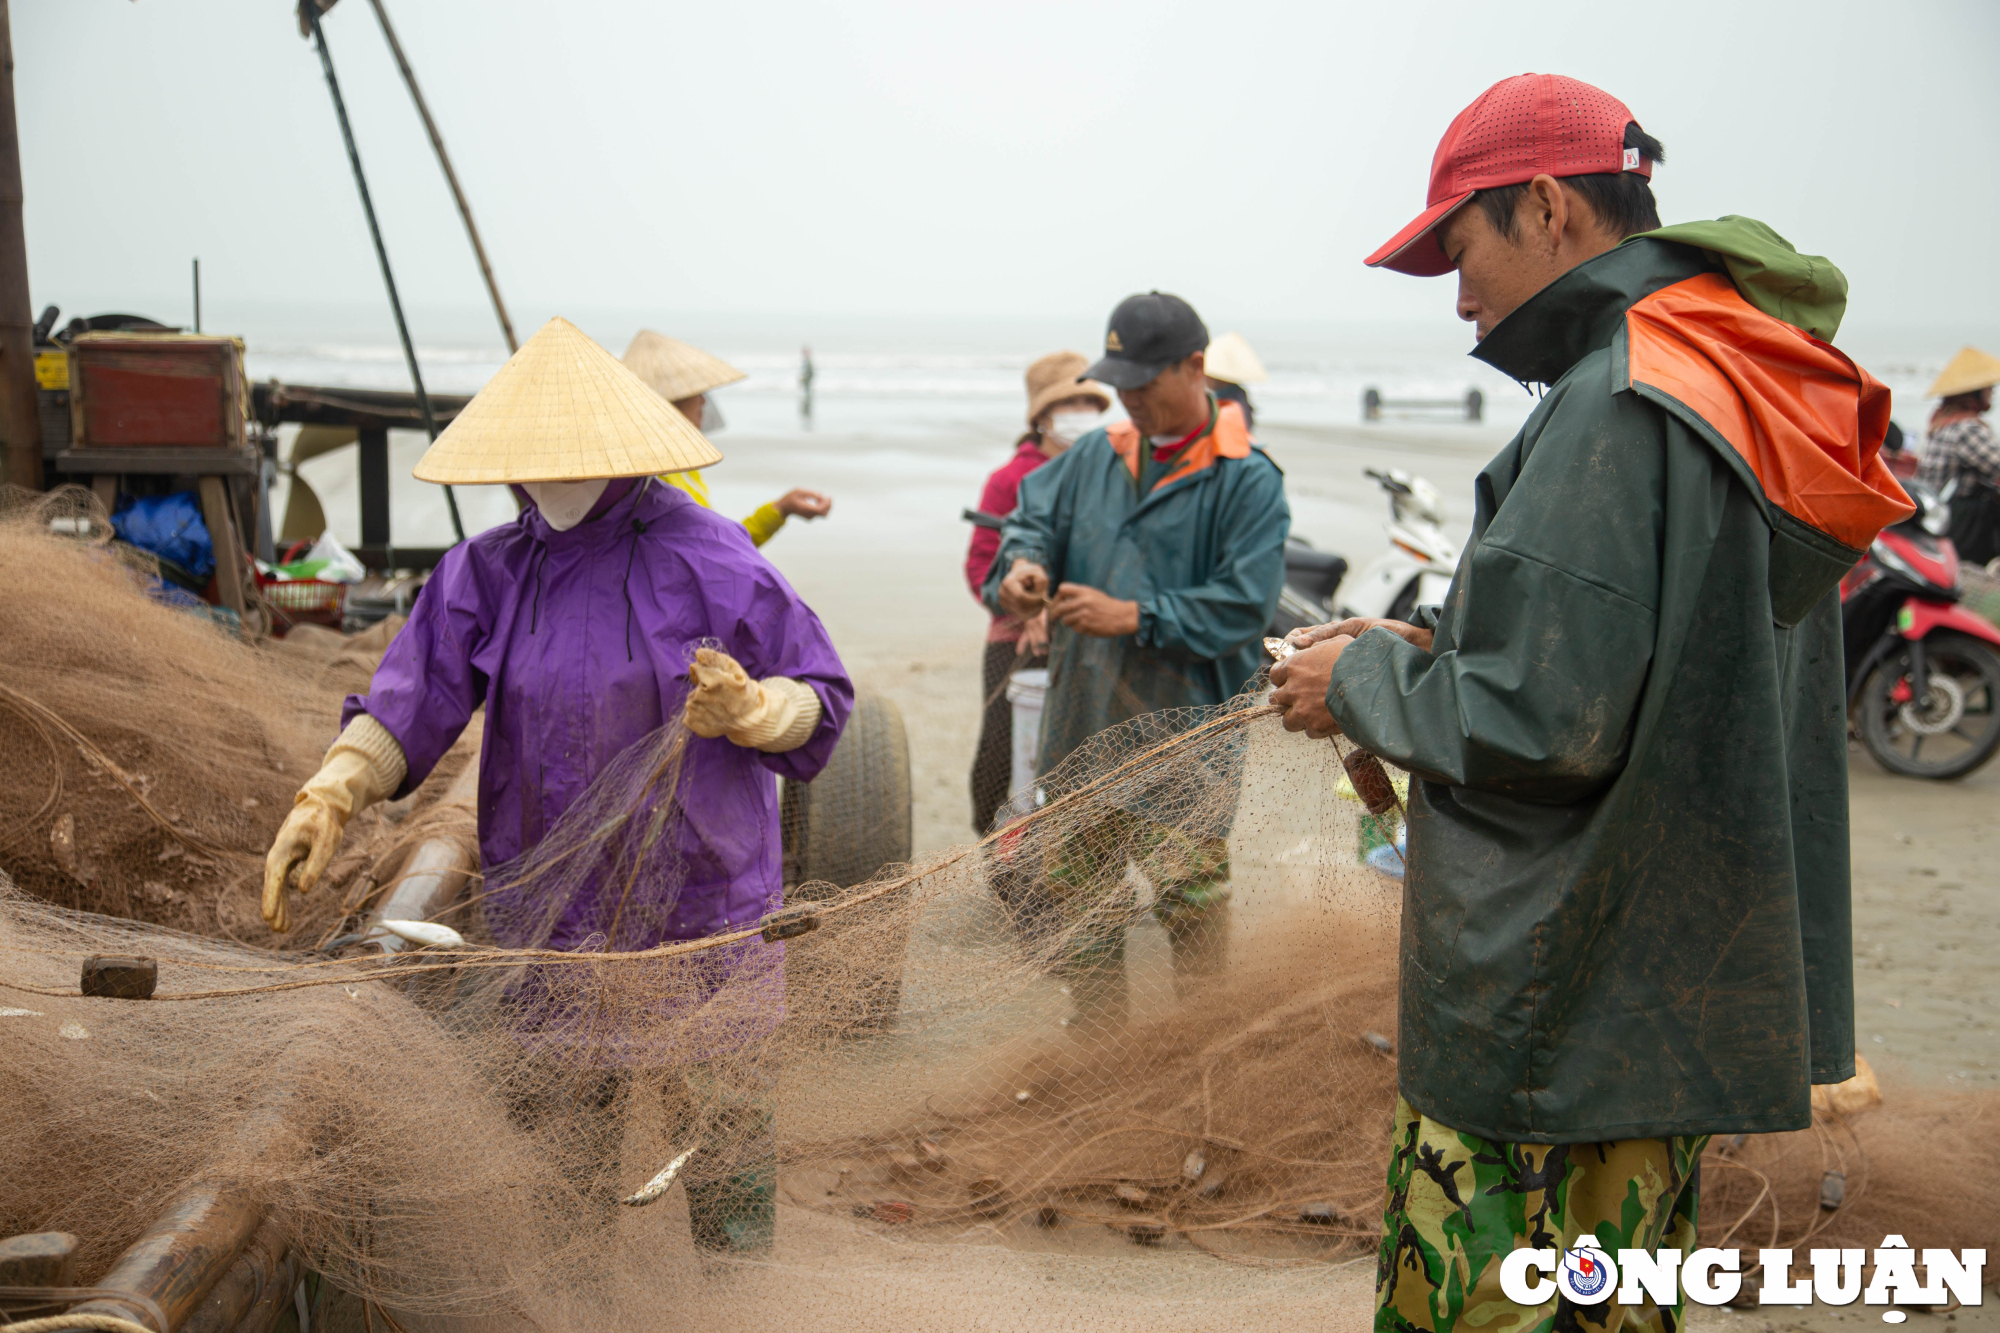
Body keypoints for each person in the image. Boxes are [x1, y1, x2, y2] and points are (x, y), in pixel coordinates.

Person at [1265, 74, 1911, 1331]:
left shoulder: (1613, 399)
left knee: (1483, 1304)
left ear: (1548, 207)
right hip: (1666, 996)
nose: (1456, 298)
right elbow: (1650, 658)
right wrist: (1426, 642)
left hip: (1553, 1009)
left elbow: (1541, 722)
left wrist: (1357, 678)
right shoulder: (1734, 370)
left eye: (1458, 249)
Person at [260, 317, 853, 1254]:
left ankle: (742, 1299)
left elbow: (820, 699)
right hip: (552, 916)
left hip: (707, 909)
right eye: (525, 460)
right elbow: (413, 698)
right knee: (563, 1174)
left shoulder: (713, 557)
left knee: (725, 1152)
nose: (543, 475)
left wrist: (752, 710)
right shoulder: (486, 571)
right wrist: (332, 789)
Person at [986, 291, 1288, 1027]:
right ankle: (1099, 1053)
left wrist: (1135, 616)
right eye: (1120, 385)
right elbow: (1028, 520)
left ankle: (1197, 1060)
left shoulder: (1248, 478)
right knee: (1082, 908)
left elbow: (1245, 608)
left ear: (1195, 368)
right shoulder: (1098, 454)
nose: (1129, 400)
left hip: (1187, 743)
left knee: (1191, 906)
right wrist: (1021, 571)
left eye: (1144, 384)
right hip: (1081, 730)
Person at [964, 350, 1112, 833]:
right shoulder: (1009, 480)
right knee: (1001, 751)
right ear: (1042, 417)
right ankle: (995, 846)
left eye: (1089, 403)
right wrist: (1023, 607)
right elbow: (980, 565)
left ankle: (1072, 853)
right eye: (1069, 404)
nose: (1081, 415)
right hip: (1017, 641)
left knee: (1082, 753)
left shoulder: (1109, 475)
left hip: (1092, 635)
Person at [622, 330, 832, 545]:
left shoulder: (682, 467)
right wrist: (782, 509)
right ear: (668, 404)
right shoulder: (651, 483)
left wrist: (782, 509)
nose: (703, 401)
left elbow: (720, 547)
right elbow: (717, 550)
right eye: (695, 392)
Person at [1916, 345, 2000, 565]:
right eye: (1988, 387)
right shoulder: (1967, 429)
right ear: (1972, 393)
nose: (1993, 392)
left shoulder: (1942, 422)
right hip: (1961, 519)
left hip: (1936, 513)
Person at [1203, 330, 1267, 429]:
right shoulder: (1234, 396)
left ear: (1221, 378)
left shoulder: (1233, 405)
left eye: (1210, 374)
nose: (1205, 377)